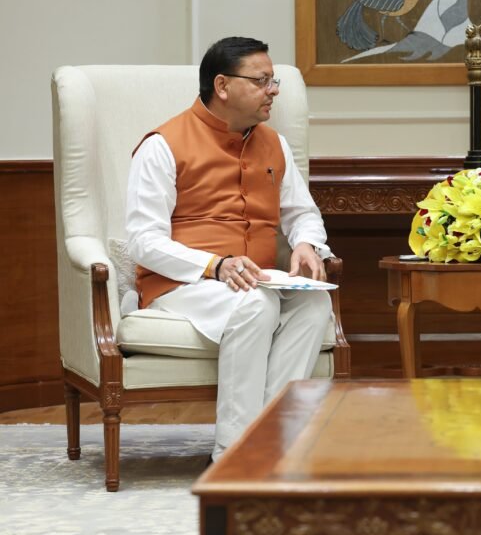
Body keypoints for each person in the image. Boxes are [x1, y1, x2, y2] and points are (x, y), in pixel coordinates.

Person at [126, 36, 333, 461]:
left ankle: (276, 442)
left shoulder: (274, 144)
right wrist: (215, 266)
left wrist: (306, 244)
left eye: (273, 81)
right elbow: (143, 240)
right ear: (222, 85)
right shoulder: (162, 144)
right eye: (261, 81)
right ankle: (233, 454)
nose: (272, 91)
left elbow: (302, 212)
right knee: (256, 304)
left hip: (255, 279)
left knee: (314, 305)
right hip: (183, 284)